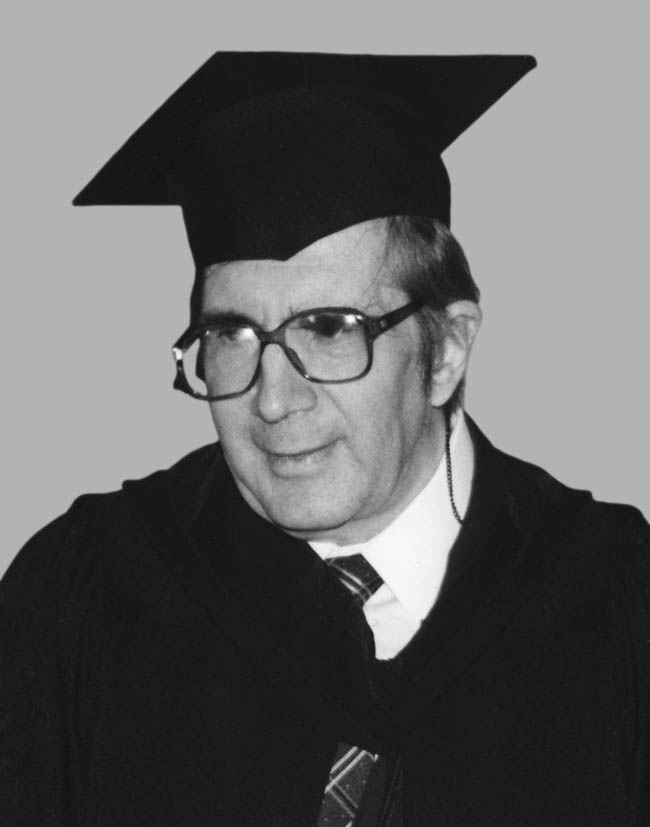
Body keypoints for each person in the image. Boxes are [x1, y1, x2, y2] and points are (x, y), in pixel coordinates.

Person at [1, 51, 648, 827]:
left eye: (331, 328)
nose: (274, 399)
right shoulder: (85, 592)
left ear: (446, 350)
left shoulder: (615, 600)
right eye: (233, 334)